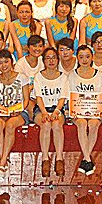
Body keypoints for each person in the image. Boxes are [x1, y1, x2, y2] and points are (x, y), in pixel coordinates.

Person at [32, 47, 68, 177]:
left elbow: (62, 97)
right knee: (46, 124)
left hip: (57, 109)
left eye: (54, 58)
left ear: (58, 60)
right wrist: (44, 113)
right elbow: (39, 98)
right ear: (43, 60)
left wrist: (56, 111)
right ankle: (45, 159)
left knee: (57, 124)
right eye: (48, 58)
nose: (51, 61)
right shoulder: (38, 76)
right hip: (41, 109)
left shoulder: (63, 77)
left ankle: (59, 158)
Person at [0, 49, 29, 173]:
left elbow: (26, 100)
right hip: (3, 112)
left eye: (6, 61)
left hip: (19, 112)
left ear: (12, 62)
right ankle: (3, 156)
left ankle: (2, 161)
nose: (4, 65)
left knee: (10, 125)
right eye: (0, 63)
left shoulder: (22, 77)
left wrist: (18, 110)